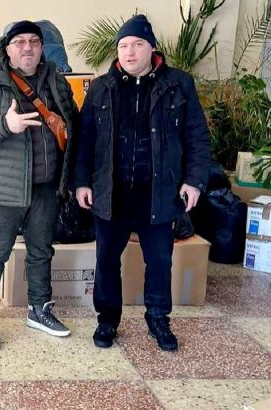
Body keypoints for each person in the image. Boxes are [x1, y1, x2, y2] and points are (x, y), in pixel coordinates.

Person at [73, 15, 211, 351]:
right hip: (112, 191)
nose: (129, 52)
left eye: (137, 44)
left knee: (160, 261)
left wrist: (194, 181)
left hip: (158, 191)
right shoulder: (101, 87)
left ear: (152, 48)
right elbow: (84, 141)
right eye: (123, 46)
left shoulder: (179, 84)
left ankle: (159, 319)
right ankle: (107, 320)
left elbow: (197, 137)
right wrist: (81, 182)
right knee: (107, 259)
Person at [0, 21, 79, 351]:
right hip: (6, 188)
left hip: (46, 187)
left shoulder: (55, 82)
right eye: (19, 42)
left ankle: (39, 309)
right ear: (8, 48)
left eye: (34, 41)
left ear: (42, 47)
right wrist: (5, 124)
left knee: (41, 251)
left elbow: (74, 126)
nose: (27, 47)